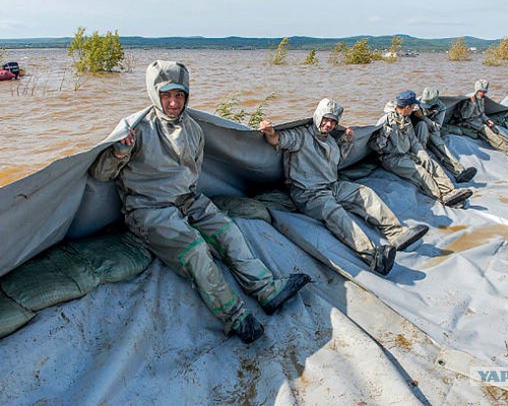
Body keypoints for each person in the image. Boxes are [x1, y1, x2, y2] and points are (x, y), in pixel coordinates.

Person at [90, 60, 310, 344]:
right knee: (195, 251)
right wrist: (118, 153)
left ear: (186, 95)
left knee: (228, 231)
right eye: (166, 95)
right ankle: (235, 317)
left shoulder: (194, 129)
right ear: (155, 95)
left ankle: (266, 290)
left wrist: (193, 206)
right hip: (149, 209)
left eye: (179, 95)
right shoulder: (136, 128)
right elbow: (100, 173)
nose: (172, 102)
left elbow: (192, 173)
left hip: (187, 200)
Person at [259, 98, 429, 276]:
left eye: (333, 121)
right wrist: (269, 131)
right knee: (335, 212)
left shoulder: (331, 142)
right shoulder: (301, 135)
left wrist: (346, 141)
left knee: (364, 193)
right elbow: (277, 139)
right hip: (309, 194)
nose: (329, 124)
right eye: (326, 119)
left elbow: (337, 161)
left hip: (332, 186)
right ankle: (373, 256)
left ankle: (396, 233)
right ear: (318, 116)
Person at [369, 90, 473, 208]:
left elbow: (413, 140)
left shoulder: (406, 118)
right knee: (421, 173)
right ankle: (441, 197)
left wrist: (422, 154)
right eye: (413, 106)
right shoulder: (386, 121)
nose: (415, 108)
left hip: (406, 153)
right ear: (408, 107)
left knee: (431, 164)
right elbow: (376, 147)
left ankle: (450, 191)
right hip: (391, 157)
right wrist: (385, 133)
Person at [411, 87, 477, 183]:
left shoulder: (441, 107)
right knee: (422, 128)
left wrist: (423, 117)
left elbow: (436, 127)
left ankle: (458, 172)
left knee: (440, 147)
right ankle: (422, 161)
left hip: (432, 130)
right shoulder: (416, 105)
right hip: (419, 131)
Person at [452, 80, 508, 158]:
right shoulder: (469, 100)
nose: (483, 93)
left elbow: (481, 113)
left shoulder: (481, 99)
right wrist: (472, 104)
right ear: (477, 90)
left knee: (496, 129)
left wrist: (487, 120)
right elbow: (465, 116)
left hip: (479, 120)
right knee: (490, 135)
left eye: (484, 92)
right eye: (481, 91)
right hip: (470, 123)